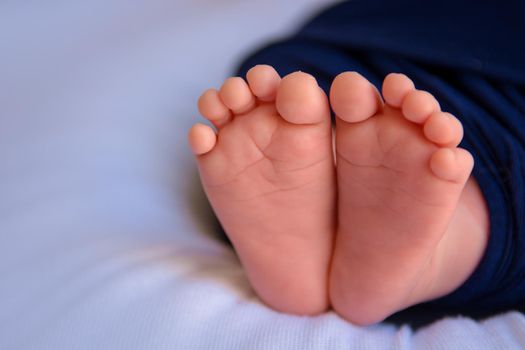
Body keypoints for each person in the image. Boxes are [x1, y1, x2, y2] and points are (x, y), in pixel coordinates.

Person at [188, 0, 525, 325]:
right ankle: (449, 235)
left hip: (387, 32)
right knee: (471, 153)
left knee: (305, 89)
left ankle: (339, 169)